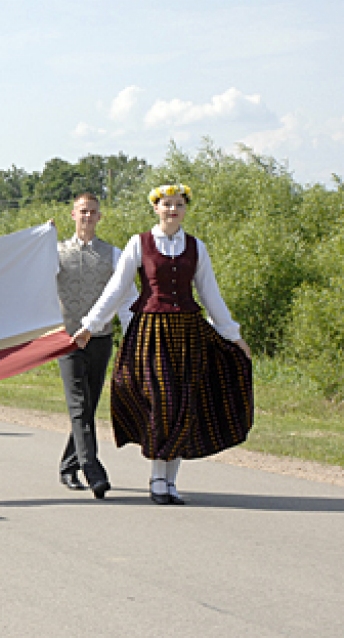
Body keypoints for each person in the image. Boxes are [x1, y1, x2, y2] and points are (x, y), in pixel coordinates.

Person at [73, 183, 253, 505]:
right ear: (156, 208)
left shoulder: (196, 247)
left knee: (183, 404)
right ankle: (157, 477)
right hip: (151, 334)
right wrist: (90, 324)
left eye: (178, 205)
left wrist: (233, 335)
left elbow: (211, 295)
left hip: (187, 334)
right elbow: (116, 289)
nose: (172, 210)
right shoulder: (139, 244)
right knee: (162, 403)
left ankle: (171, 481)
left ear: (185, 210)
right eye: (167, 204)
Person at [53, 194, 136, 499]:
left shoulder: (114, 254)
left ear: (100, 217)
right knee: (78, 404)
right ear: (72, 215)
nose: (87, 216)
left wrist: (133, 336)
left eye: (93, 212)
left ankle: (67, 465)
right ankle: (92, 469)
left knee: (88, 404)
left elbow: (127, 297)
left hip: (100, 338)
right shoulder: (56, 253)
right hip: (68, 339)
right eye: (82, 211)